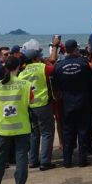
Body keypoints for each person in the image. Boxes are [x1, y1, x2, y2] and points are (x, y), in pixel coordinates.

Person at [0, 56, 33, 184]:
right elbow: (32, 101)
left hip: (3, 128)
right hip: (22, 128)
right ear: (19, 67)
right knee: (21, 158)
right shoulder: (26, 84)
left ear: (5, 67)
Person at [53, 39, 92, 167]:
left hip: (67, 102)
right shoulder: (84, 63)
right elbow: (90, 79)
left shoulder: (58, 66)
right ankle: (82, 160)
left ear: (65, 50)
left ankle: (67, 161)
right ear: (76, 49)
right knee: (82, 130)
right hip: (82, 100)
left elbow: (56, 86)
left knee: (67, 131)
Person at [18, 43, 56, 171]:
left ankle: (33, 160)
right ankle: (45, 161)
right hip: (43, 104)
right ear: (36, 57)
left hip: (29, 106)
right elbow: (53, 68)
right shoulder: (42, 67)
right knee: (47, 132)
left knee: (34, 133)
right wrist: (45, 61)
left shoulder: (22, 72)